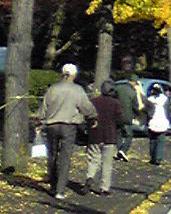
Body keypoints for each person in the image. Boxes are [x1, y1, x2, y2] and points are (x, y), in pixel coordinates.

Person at [38, 63, 98, 201]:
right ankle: (60, 190)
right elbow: (86, 107)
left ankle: (53, 185)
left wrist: (40, 121)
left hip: (52, 125)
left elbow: (43, 108)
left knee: (52, 155)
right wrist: (93, 117)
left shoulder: (53, 88)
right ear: (74, 75)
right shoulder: (77, 90)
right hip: (69, 125)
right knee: (65, 157)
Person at [85, 80, 125, 195]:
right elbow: (120, 120)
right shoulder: (116, 103)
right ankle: (104, 187)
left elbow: (87, 116)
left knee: (93, 159)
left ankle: (90, 177)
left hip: (95, 134)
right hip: (110, 135)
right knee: (107, 163)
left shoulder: (94, 101)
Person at [115, 72, 144, 160]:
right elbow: (135, 106)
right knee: (129, 135)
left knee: (118, 133)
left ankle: (119, 151)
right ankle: (123, 150)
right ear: (134, 82)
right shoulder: (132, 92)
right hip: (127, 117)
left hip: (117, 115)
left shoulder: (118, 88)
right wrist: (138, 115)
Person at [146, 81, 171, 165]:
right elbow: (168, 111)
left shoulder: (149, 99)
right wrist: (169, 120)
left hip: (152, 122)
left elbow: (147, 112)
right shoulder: (165, 99)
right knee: (160, 141)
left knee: (152, 140)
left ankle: (152, 157)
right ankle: (158, 158)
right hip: (162, 122)